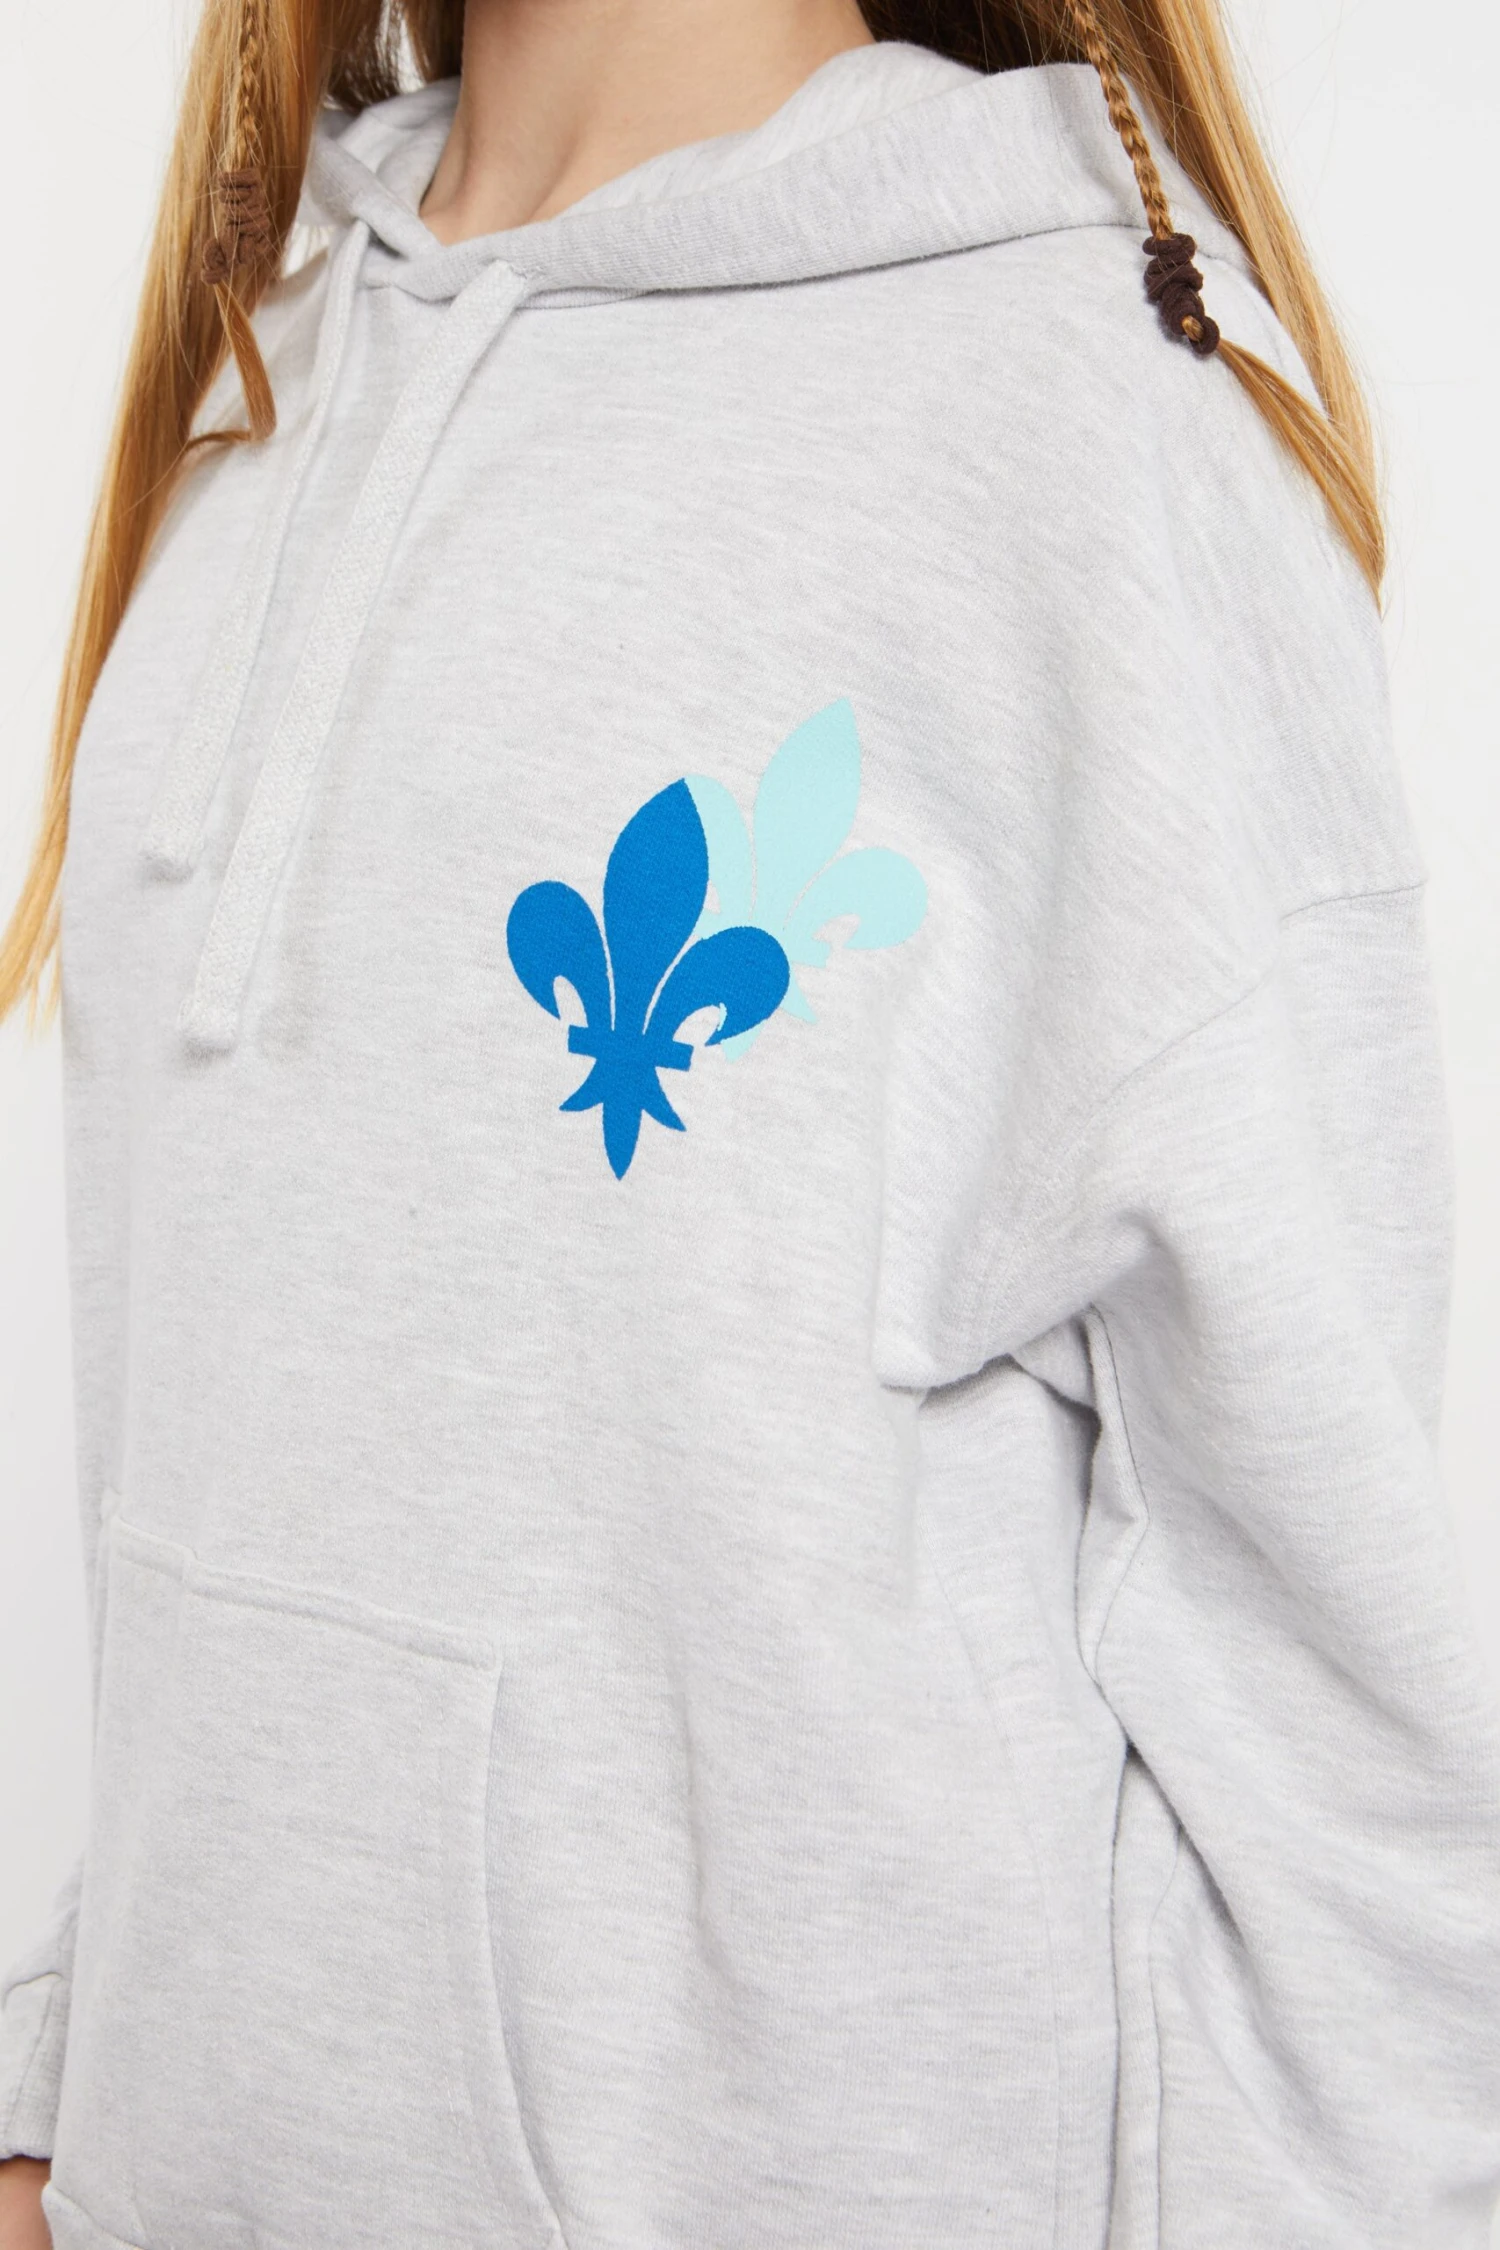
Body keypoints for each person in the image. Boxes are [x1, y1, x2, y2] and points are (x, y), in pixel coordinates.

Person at [3, 0, 1499, 2241]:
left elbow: (1344, 1784)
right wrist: (64, 2083)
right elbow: (250, 1447)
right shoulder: (264, 384)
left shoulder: (1089, 428)